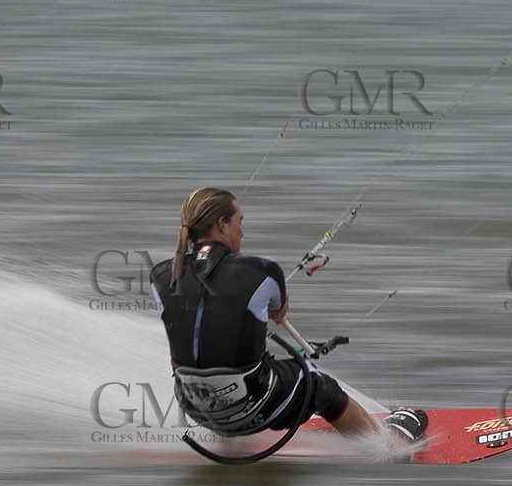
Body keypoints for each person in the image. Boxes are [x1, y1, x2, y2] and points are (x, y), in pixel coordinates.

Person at [149, 186, 427, 455]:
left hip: (194, 407)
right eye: (239, 222)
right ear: (222, 224)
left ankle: (229, 445)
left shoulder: (161, 275)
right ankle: (388, 447)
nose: (242, 232)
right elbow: (278, 311)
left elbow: (199, 319)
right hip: (254, 407)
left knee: (213, 358)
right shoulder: (261, 270)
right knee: (318, 383)